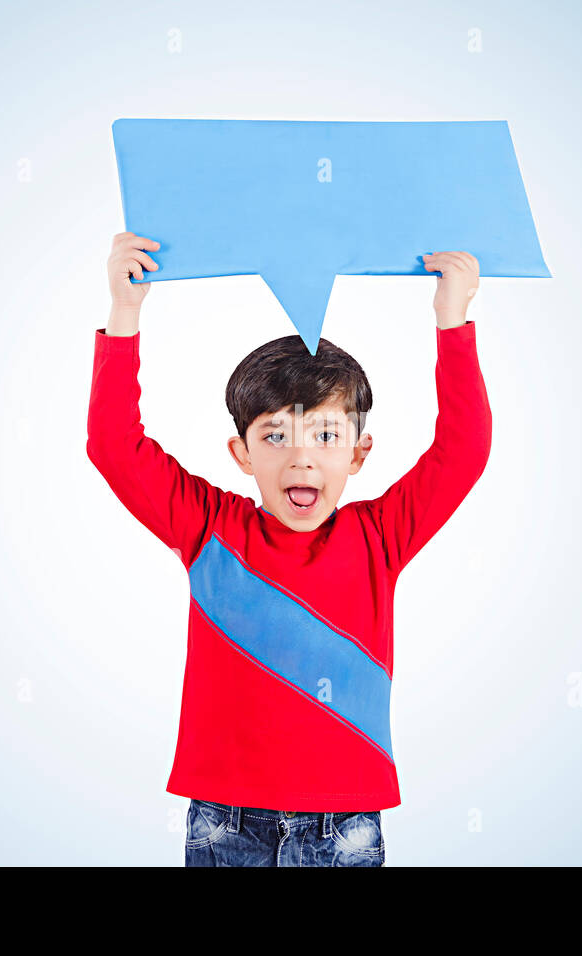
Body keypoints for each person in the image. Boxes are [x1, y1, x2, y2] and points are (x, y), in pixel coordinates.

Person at [85, 232, 492, 865]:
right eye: (276, 435)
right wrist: (125, 312)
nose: (302, 455)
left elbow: (461, 451)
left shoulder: (379, 537)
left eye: (326, 433)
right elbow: (115, 445)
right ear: (241, 454)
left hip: (344, 824)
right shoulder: (208, 528)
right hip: (226, 822)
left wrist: (452, 320)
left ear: (358, 453)